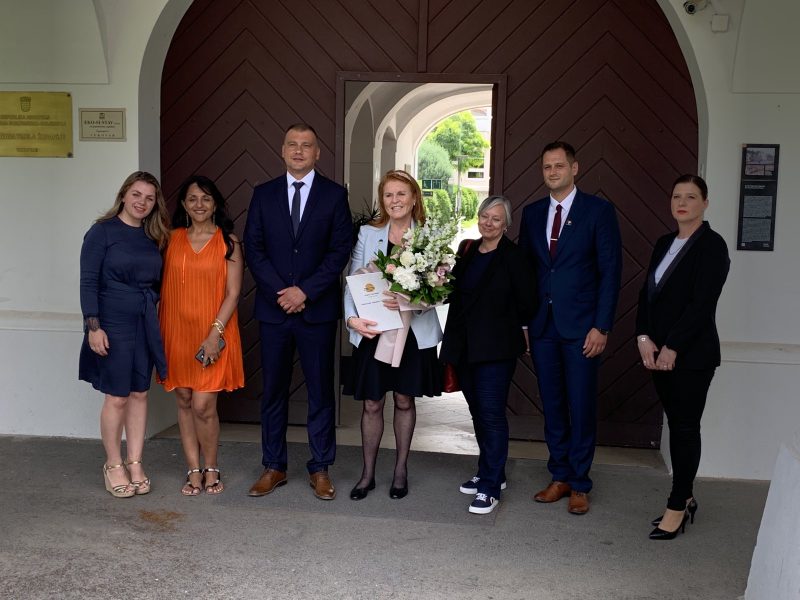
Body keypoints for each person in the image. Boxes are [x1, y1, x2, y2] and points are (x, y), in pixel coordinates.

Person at [244, 123, 352, 500]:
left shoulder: (335, 196)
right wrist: (282, 292)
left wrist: (305, 291)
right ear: (283, 150)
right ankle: (273, 466)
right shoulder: (264, 194)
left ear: (317, 153)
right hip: (274, 311)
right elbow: (254, 248)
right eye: (293, 144)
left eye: (307, 145)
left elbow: (339, 250)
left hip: (316, 311)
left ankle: (320, 468)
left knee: (320, 392)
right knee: (273, 391)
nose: (299, 150)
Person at [518, 141, 622, 515]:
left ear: (574, 168)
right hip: (542, 326)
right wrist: (524, 321)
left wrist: (602, 326)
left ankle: (580, 483)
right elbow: (526, 272)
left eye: (559, 165)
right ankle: (559, 475)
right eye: (547, 166)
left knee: (581, 404)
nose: (553, 172)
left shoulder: (598, 211)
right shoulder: (532, 213)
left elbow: (611, 272)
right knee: (553, 404)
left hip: (582, 328)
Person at [636, 174, 729, 540]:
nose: (682, 203)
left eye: (691, 197)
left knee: (686, 428)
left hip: (692, 355)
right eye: (677, 196)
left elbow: (702, 304)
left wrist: (673, 346)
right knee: (677, 425)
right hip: (658, 354)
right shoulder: (664, 243)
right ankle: (686, 497)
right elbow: (646, 295)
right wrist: (644, 337)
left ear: (705, 203)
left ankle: (677, 505)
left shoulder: (712, 246)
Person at [344, 170, 443, 501]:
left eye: (401, 194)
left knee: (403, 399)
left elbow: (440, 288)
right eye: (388, 195)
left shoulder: (429, 237)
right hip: (373, 330)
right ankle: (367, 474)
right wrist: (352, 319)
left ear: (414, 198)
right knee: (372, 402)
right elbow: (353, 282)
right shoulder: (368, 234)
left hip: (413, 333)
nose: (395, 200)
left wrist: (408, 300)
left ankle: (400, 470)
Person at [440, 196, 536, 514]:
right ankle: (489, 471)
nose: (489, 223)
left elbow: (527, 301)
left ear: (506, 224)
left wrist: (522, 330)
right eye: (484, 216)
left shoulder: (515, 256)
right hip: (465, 346)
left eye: (496, 218)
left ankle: (491, 487)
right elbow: (454, 292)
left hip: (496, 349)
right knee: (477, 413)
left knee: (492, 415)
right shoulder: (467, 250)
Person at [79, 171, 170, 498]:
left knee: (139, 394)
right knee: (117, 396)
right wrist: (93, 327)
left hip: (143, 322)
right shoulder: (101, 232)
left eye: (149, 198)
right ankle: (113, 463)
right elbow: (88, 281)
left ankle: (135, 462)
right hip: (112, 322)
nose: (142, 202)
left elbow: (157, 283)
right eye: (136, 194)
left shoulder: (154, 236)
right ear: (124, 195)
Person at [159, 175, 245, 496]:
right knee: (183, 400)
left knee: (203, 405)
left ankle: (212, 466)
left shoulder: (229, 242)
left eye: (206, 198)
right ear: (183, 204)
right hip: (176, 332)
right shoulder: (170, 239)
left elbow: (233, 293)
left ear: (215, 204)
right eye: (193, 198)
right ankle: (193, 469)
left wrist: (214, 334)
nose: (199, 204)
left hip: (213, 333)